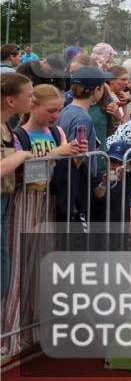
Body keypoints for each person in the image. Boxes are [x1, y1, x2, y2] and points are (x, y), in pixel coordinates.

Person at [3, 84, 83, 357]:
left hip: (47, 202)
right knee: (17, 266)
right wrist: (57, 153)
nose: (56, 116)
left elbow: (62, 172)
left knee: (40, 265)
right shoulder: (19, 136)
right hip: (23, 203)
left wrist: (75, 156)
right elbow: (23, 173)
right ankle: (10, 333)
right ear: (33, 105)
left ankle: (34, 329)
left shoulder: (58, 133)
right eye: (51, 110)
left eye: (59, 110)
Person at [55, 65, 113, 225]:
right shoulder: (83, 118)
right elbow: (76, 154)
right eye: (103, 87)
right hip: (79, 181)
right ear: (96, 90)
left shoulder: (66, 110)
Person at [1, 73, 35, 299]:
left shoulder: (6, 125)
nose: (34, 99)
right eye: (29, 95)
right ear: (11, 100)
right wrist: (22, 155)